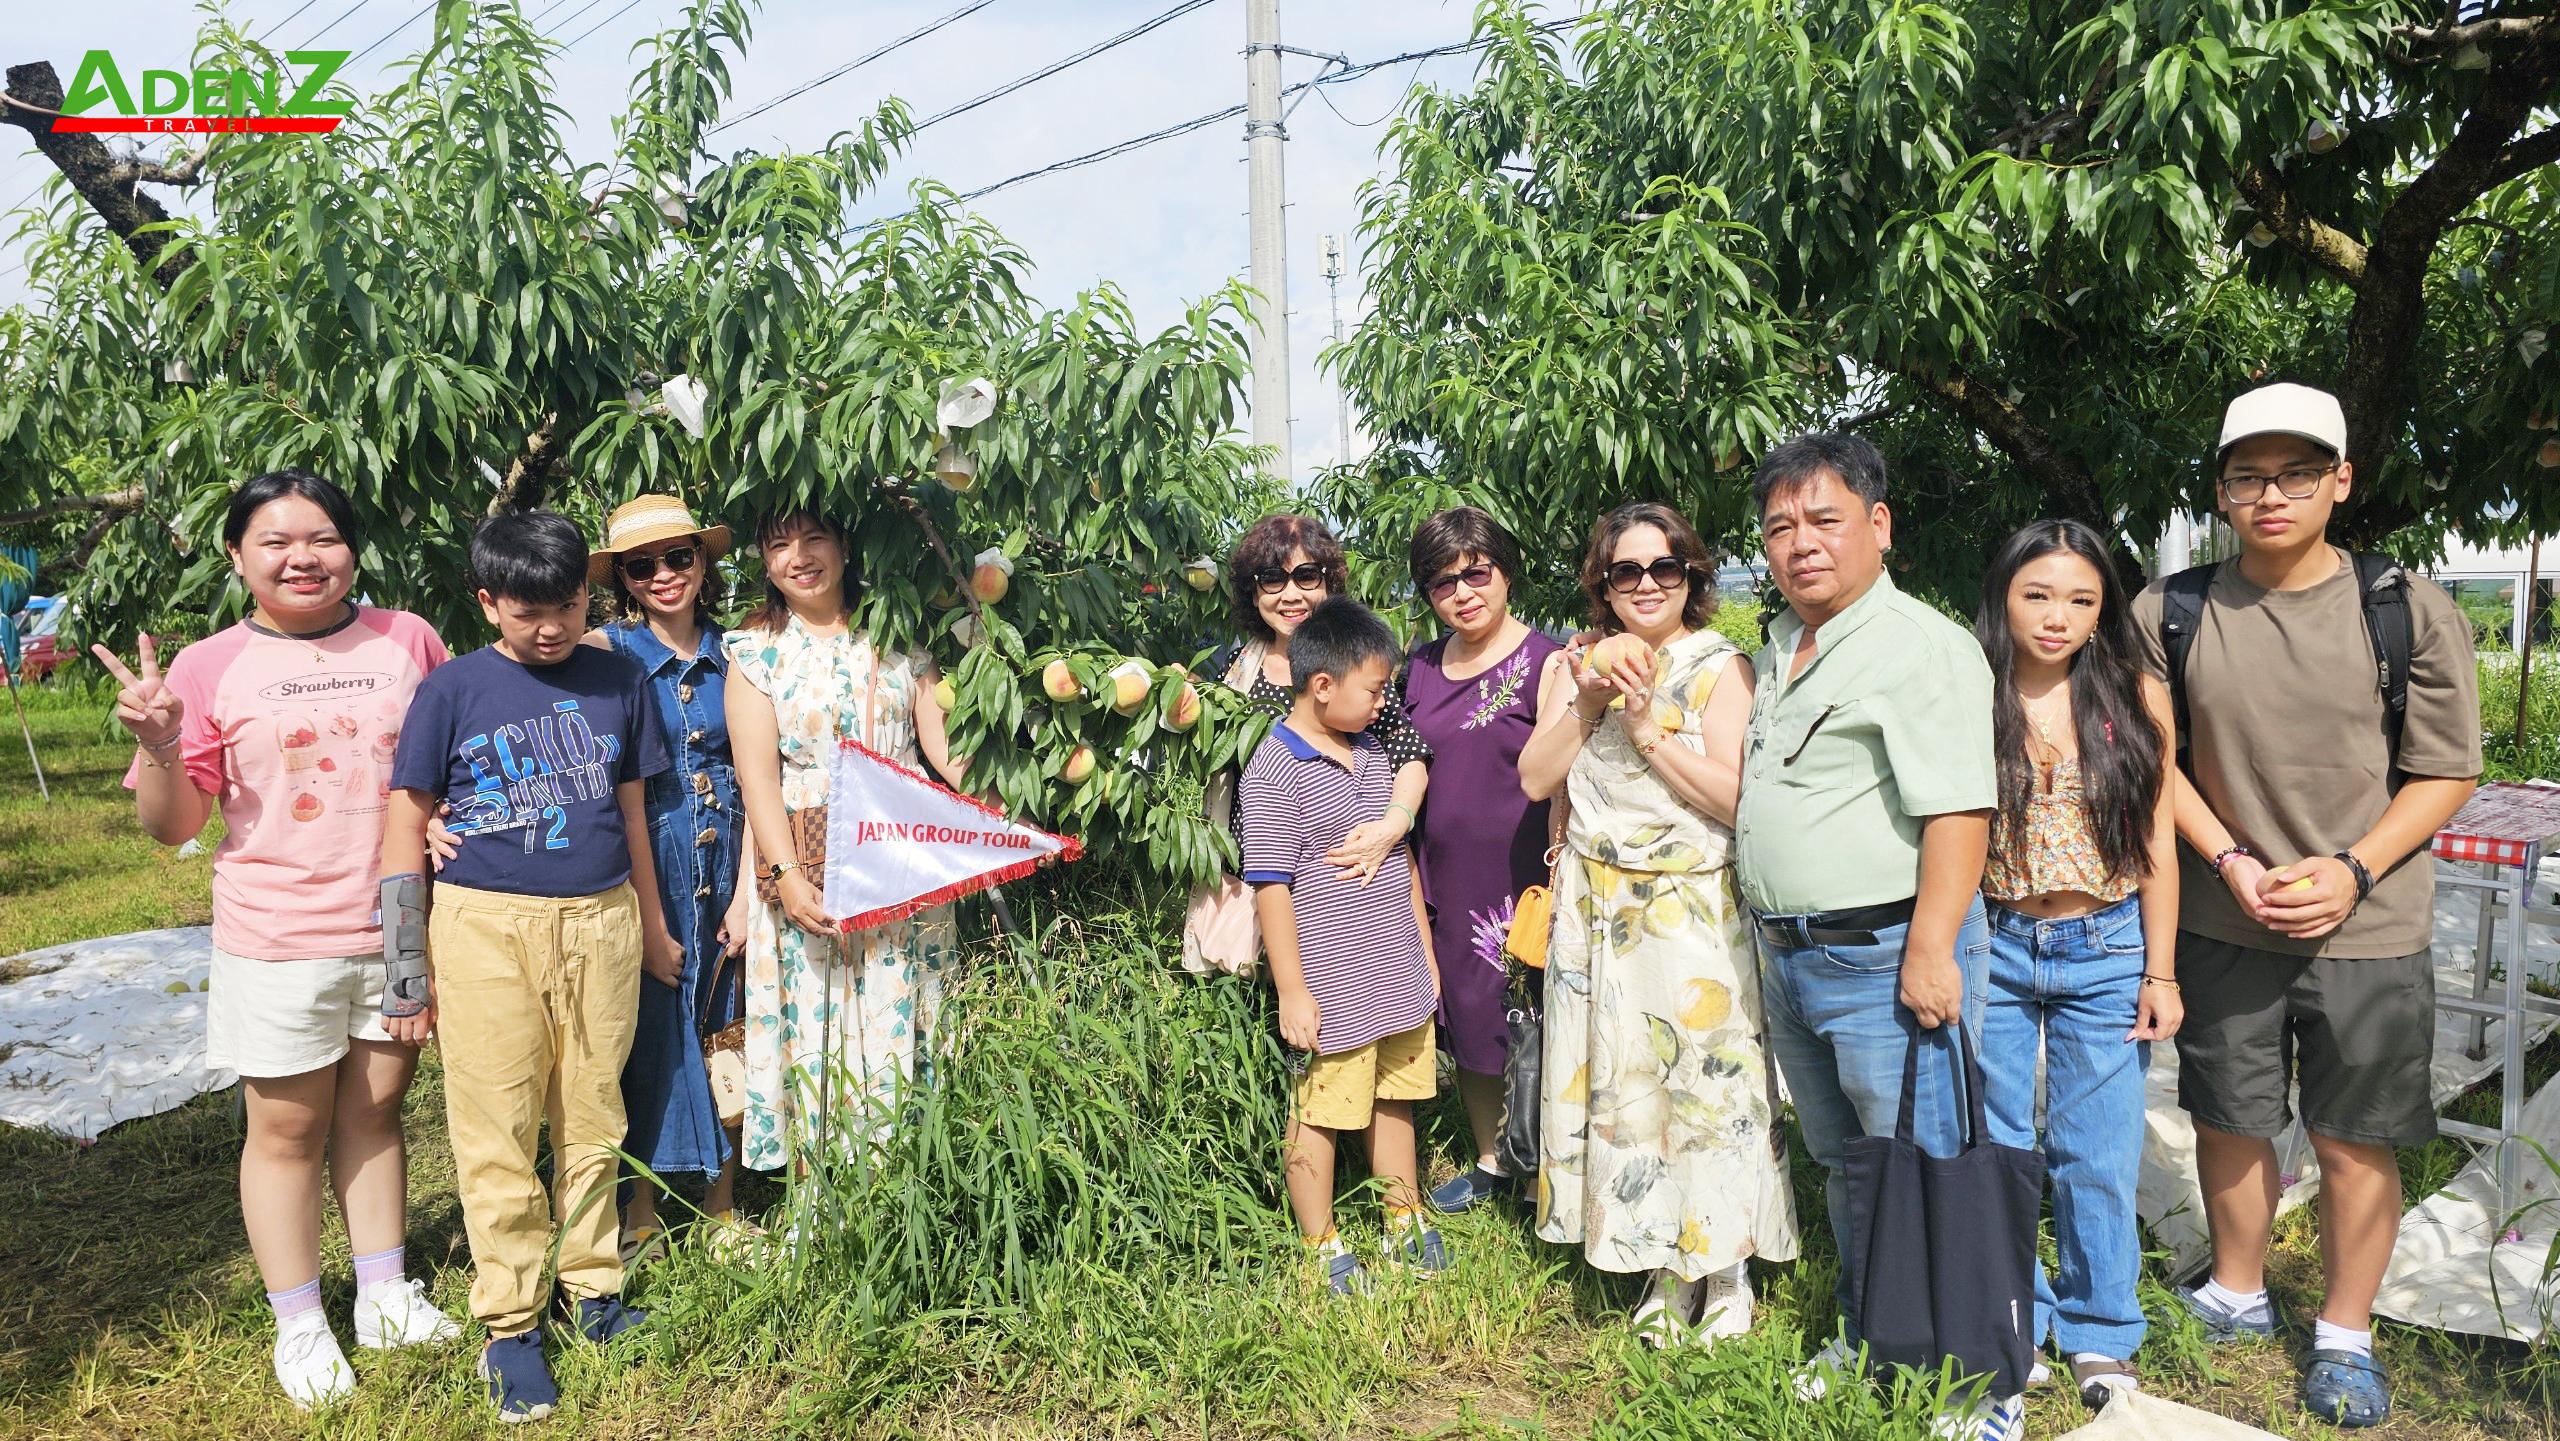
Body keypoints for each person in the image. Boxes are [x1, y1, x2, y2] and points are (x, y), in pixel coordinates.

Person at [2133, 382, 2480, 1429]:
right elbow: (2155, 764)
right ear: (2221, 491)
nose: (2270, 495)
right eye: (2248, 475)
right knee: (2228, 1114)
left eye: (2296, 473)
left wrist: (2353, 870)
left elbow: (2445, 769)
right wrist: (2231, 859)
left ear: (2340, 480)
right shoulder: (2169, 611)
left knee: (2353, 1133)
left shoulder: (2405, 608)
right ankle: (2237, 1290)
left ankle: (2343, 1332)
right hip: (2223, 913)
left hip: (2369, 924)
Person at [95, 470, 460, 1409]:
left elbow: (449, 766)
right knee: (287, 1128)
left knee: (378, 1109)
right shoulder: (206, 665)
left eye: (324, 537)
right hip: (277, 931)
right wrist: (163, 744)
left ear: (353, 549)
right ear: (236, 555)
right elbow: (174, 826)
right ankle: (299, 1321)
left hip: (396, 920)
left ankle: (383, 1292)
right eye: (276, 541)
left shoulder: (408, 638)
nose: (304, 558)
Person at [1733, 434, 2009, 1436]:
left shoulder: (1919, 645)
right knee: (1853, 1167)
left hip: (1888, 955)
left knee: (1932, 1166)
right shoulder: (1782, 645)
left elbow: (1959, 810)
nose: (1800, 543)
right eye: (1780, 527)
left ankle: (1977, 1385)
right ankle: (1876, 1334)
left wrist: (1932, 948)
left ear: (1878, 525)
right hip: (1793, 956)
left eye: (1824, 519)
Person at [381, 510, 676, 1423]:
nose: (550, 628)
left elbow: (633, 811)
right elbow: (404, 823)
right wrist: (404, 967)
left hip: (602, 920)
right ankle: (510, 1324)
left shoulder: (620, 679)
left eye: (567, 606)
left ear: (588, 594)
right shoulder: (452, 689)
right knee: (497, 1122)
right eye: (527, 611)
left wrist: (652, 925)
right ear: (488, 602)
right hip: (486, 927)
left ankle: (594, 1288)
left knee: (593, 1111)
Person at [1518, 501, 1798, 1346]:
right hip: (1597, 908)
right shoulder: (1575, 665)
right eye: (1626, 571)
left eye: (1664, 567)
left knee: (1709, 1090)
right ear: (1602, 584)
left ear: (1691, 576)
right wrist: (1590, 701)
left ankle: (1728, 1268)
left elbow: (1737, 800)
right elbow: (1534, 779)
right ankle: (1660, 1265)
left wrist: (1646, 731)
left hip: (1690, 910)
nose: (1646, 584)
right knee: (1628, 1092)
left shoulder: (1721, 667)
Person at [1973, 519, 2181, 1410]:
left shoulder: (2134, 692)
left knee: (2097, 1147)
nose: (2057, 616)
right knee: (1997, 1145)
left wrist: (2161, 971)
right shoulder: (1971, 687)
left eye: (2080, 599)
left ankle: (2101, 1327)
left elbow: (2157, 839)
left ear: (2103, 611)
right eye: (2038, 594)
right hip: (1994, 941)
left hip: (2106, 945)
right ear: (2004, 597)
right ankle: (2011, 1317)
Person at [725, 508, 966, 1173]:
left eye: (814, 539)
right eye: (779, 544)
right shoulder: (756, 653)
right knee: (820, 1020)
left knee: (900, 1007)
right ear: (765, 561)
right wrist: (787, 876)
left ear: (846, 545)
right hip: (811, 863)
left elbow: (944, 750)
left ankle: (911, 1182)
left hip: (899, 862)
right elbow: (758, 779)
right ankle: (827, 1200)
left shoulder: (896, 637)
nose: (798, 557)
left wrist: (1010, 811)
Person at [1239, 596, 1449, 1295]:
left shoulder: (1370, 750)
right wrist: (1293, 991)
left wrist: (1424, 952)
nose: (1383, 702)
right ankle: (1320, 1240)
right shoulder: (1276, 768)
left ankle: (1402, 1215)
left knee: (1396, 1096)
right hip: (1333, 983)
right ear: (1323, 685)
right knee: (1321, 1111)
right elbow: (1271, 887)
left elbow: (1400, 860)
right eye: (1375, 689)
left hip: (1395, 968)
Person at [1398, 507, 1564, 1213]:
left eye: (1477, 573)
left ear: (1505, 571)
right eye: (1443, 583)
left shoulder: (1549, 661)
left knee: (1539, 1017)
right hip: (1448, 873)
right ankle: (1493, 1159)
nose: (1463, 593)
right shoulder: (1418, 668)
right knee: (1469, 1014)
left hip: (1525, 870)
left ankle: (1546, 1167)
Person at [1203, 514, 1431, 897]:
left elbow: (1409, 754)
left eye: (1306, 576)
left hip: (1339, 882)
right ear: (1254, 593)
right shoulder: (1239, 671)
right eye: (1272, 579)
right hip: (1254, 883)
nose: (1291, 595)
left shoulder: (1354, 667)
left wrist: (1393, 825)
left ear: (1328, 584)